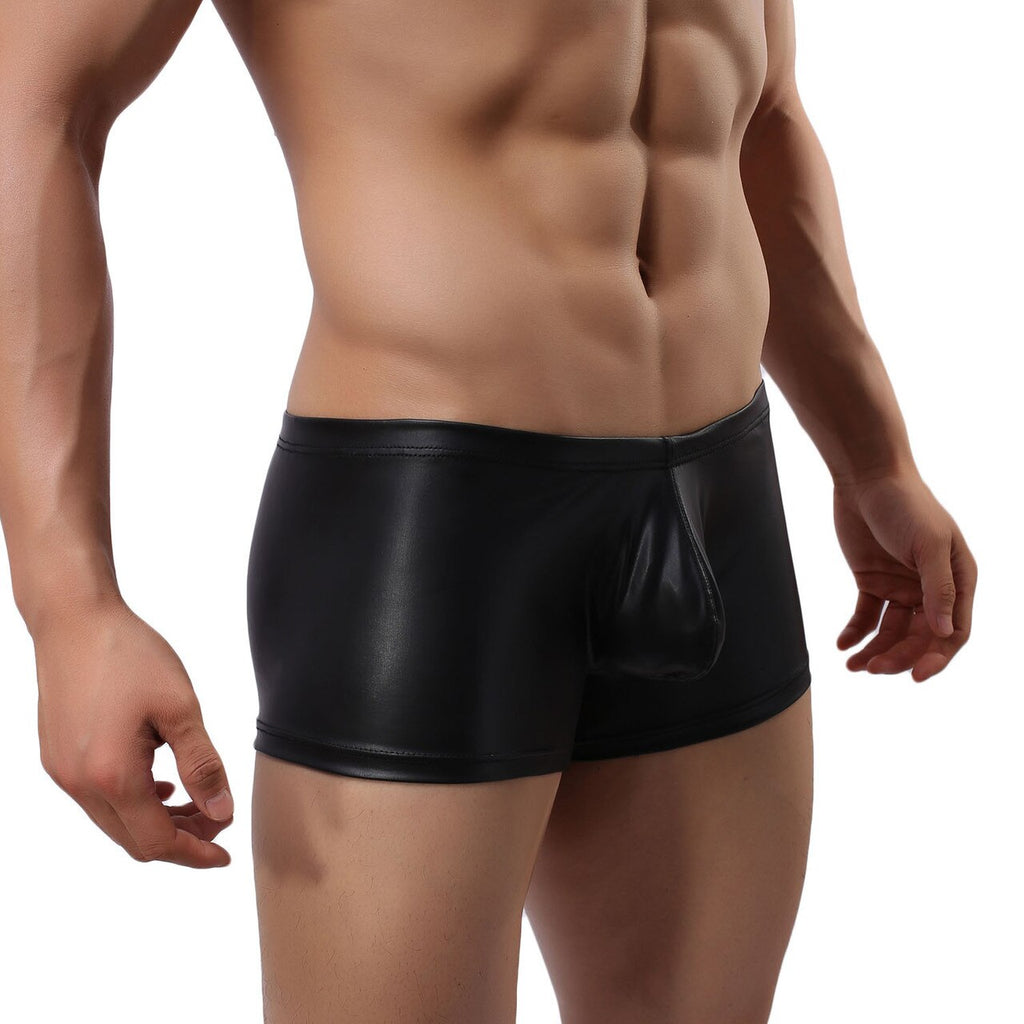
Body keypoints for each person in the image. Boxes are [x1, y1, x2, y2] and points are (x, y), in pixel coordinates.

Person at [0, 0, 977, 1022]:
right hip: (429, 524)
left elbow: (760, 113)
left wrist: (874, 457)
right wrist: (67, 605)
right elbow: (35, 103)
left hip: (717, 493)